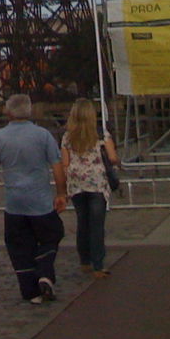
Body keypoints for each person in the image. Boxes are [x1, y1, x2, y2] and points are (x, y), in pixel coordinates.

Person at [0, 94, 67, 305]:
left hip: (14, 203)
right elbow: (57, 166)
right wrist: (61, 193)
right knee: (52, 234)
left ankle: (31, 292)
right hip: (40, 201)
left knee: (19, 246)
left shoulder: (0, 136)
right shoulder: (43, 135)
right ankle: (45, 272)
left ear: (8, 112)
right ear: (29, 111)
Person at [61, 98, 119, 279]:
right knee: (97, 225)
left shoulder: (67, 137)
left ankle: (84, 260)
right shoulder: (102, 135)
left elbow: (65, 163)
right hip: (97, 184)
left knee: (83, 222)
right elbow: (113, 157)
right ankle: (98, 264)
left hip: (77, 185)